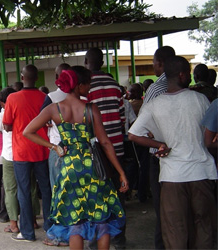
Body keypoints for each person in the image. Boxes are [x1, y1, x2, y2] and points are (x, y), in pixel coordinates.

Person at [24, 66, 128, 249]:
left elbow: (28, 131)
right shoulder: (90, 108)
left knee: (75, 222)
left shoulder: (53, 109)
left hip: (69, 168)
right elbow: (105, 143)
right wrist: (120, 172)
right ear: (79, 86)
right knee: (102, 219)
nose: (89, 88)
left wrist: (54, 147)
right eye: (88, 84)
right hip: (93, 168)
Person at [128, 56, 217, 249]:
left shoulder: (154, 104)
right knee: (204, 227)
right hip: (202, 173)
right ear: (183, 75)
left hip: (172, 177)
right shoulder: (200, 99)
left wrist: (159, 143)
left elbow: (133, 134)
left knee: (174, 230)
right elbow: (210, 134)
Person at [3, 64, 52, 242]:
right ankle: (50, 228)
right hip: (42, 150)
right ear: (37, 78)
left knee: (23, 191)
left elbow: (7, 125)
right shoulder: (45, 97)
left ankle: (27, 233)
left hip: (21, 152)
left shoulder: (12, 98)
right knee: (46, 189)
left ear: (22, 78)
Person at [85, 47, 127, 247]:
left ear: (86, 62)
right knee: (117, 195)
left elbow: (86, 121)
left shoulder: (85, 87)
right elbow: (122, 119)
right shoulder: (115, 85)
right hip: (116, 148)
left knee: (96, 196)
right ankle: (119, 239)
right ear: (102, 62)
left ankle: (95, 240)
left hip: (96, 152)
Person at [140, 45, 175, 250]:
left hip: (159, 154)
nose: (153, 67)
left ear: (160, 63)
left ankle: (162, 245)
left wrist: (156, 140)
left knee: (162, 206)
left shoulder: (156, 88)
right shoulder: (187, 90)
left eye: (153, 63)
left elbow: (141, 125)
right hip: (179, 153)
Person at [41, 63, 70, 190]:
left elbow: (41, 120)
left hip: (57, 147)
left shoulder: (51, 97)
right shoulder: (82, 96)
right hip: (78, 147)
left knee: (57, 187)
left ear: (57, 77)